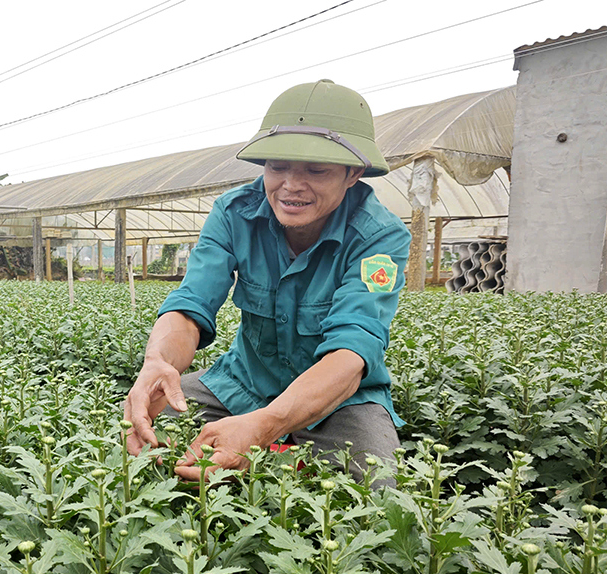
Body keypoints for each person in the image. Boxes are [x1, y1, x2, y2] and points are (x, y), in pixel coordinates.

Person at [123, 80, 411, 486]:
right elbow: (191, 306)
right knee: (137, 445)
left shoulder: (379, 236)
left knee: (376, 492)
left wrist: (264, 426)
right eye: (277, 166)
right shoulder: (233, 213)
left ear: (353, 174)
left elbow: (350, 353)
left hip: (342, 403)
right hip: (241, 384)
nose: (291, 185)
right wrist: (159, 362)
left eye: (315, 169)